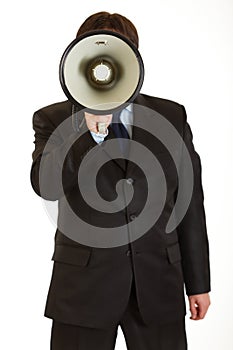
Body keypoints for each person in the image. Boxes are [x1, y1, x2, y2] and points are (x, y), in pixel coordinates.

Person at [30, 11, 211, 350]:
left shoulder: (172, 116)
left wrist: (198, 283)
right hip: (83, 290)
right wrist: (86, 131)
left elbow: (189, 204)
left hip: (157, 285)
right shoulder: (54, 119)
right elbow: (46, 185)